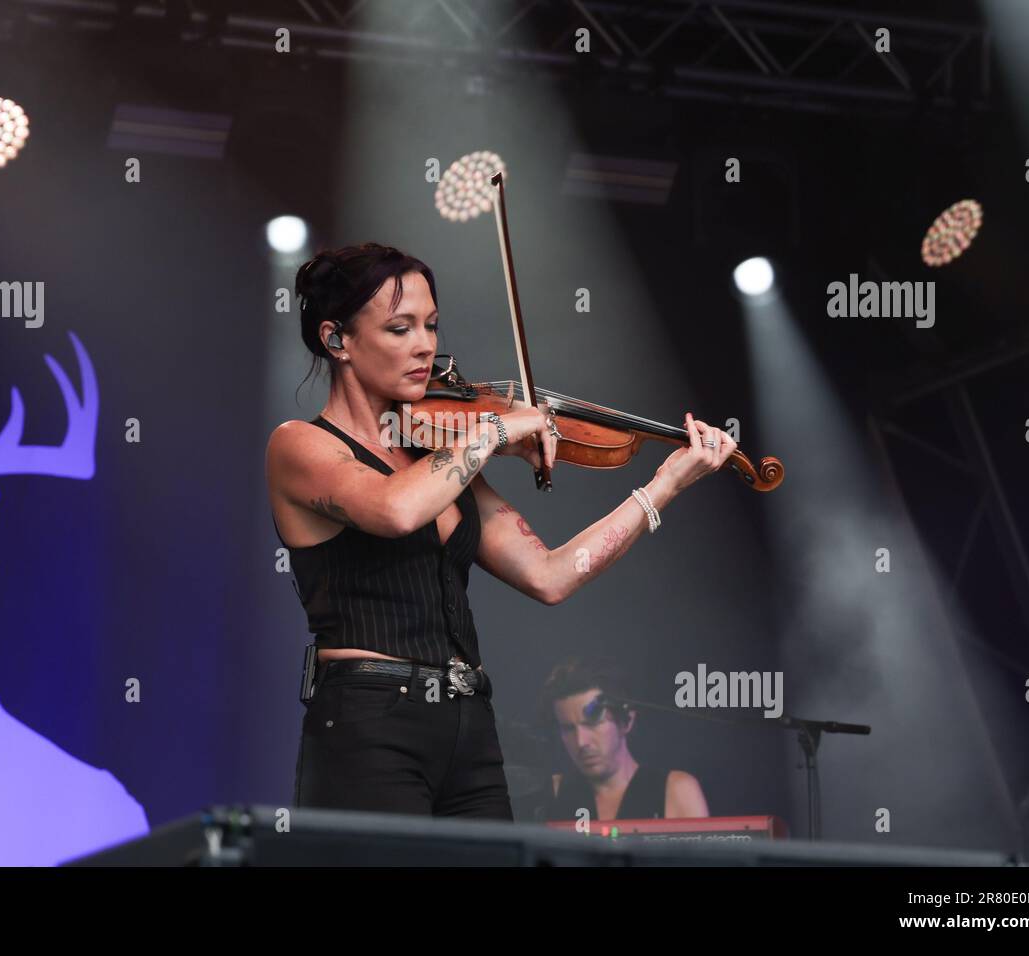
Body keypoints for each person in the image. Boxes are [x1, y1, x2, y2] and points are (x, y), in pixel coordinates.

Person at [265, 241, 737, 819]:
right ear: (337, 339)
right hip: (369, 719)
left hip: (468, 724)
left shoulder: (437, 456)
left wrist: (663, 485)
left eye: (432, 325)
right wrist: (492, 430)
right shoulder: (301, 445)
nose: (425, 346)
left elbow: (550, 575)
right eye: (399, 328)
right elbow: (393, 510)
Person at [539, 658, 709, 823]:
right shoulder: (552, 793)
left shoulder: (677, 791)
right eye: (568, 729)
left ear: (626, 721)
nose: (581, 742)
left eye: (593, 723)